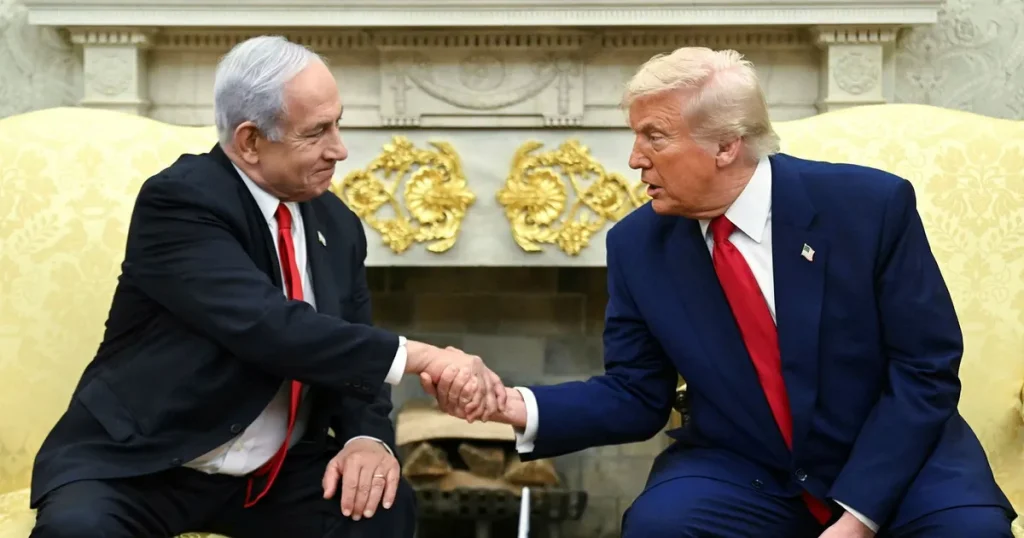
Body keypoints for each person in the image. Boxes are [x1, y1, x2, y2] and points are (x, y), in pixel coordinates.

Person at [427, 47, 1015, 537]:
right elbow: (637, 392)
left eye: (655, 137)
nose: (634, 159)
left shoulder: (869, 208)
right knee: (661, 526)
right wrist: (514, 405)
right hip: (745, 464)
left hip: (895, 455)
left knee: (971, 531)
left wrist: (859, 517)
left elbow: (925, 369)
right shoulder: (638, 245)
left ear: (726, 146)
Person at [28, 35, 505, 538]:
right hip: (144, 462)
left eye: (337, 123)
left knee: (379, 509)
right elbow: (269, 326)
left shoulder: (338, 224)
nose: (339, 149)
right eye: (316, 132)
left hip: (273, 474)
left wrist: (366, 440)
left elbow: (350, 350)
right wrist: (425, 358)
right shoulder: (180, 202)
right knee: (78, 531)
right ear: (250, 141)